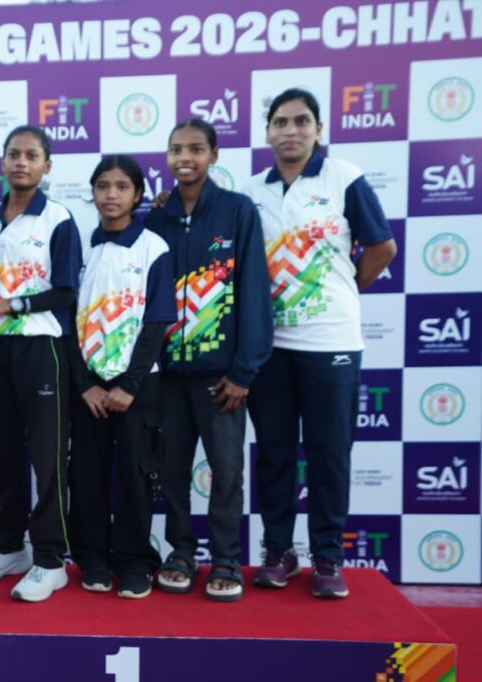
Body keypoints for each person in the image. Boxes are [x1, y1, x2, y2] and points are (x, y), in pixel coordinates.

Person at [244, 88, 396, 599]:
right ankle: (279, 552)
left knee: (329, 454)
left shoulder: (344, 178)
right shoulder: (252, 190)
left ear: (318, 129)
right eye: (281, 122)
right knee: (275, 454)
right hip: (270, 348)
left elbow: (382, 247)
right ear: (268, 132)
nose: (291, 130)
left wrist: (344, 287)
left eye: (301, 121)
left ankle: (327, 557)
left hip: (332, 341)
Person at [145, 119, 273, 602]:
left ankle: (225, 560)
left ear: (213, 155)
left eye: (196, 149)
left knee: (227, 472)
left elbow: (255, 291)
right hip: (168, 376)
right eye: (176, 149)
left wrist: (244, 371)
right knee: (173, 472)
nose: (185, 158)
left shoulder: (238, 210)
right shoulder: (155, 219)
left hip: (222, 377)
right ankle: (181, 553)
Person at [0, 125, 82, 602]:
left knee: (47, 457)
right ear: (3, 162)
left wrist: (9, 305)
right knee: (1, 453)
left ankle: (50, 559)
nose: (21, 162)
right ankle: (8, 547)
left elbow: (66, 292)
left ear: (46, 165)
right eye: (13, 154)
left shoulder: (58, 217)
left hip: (41, 347)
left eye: (32, 155)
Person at [66, 155, 175, 599]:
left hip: (138, 387)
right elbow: (65, 320)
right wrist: (85, 383)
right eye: (103, 186)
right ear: (92, 192)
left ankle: (134, 560)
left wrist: (129, 385)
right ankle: (91, 556)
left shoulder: (154, 248)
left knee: (135, 472)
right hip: (88, 387)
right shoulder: (79, 247)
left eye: (122, 187)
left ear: (137, 194)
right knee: (86, 474)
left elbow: (157, 321)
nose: (111, 195)